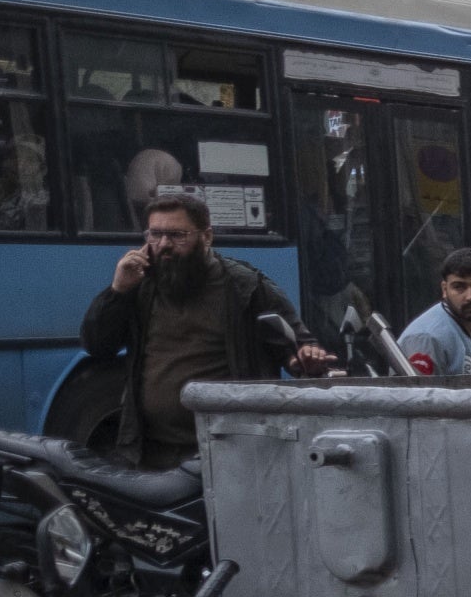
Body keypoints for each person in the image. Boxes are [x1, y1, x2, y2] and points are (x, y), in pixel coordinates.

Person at [75, 188, 334, 468]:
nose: (164, 244)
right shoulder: (140, 285)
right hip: (149, 451)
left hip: (227, 451)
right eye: (155, 234)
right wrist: (117, 291)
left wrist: (305, 357)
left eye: (177, 235)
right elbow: (97, 345)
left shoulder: (245, 287)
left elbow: (298, 346)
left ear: (206, 237)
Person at [400, 247, 471, 377]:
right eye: (459, 287)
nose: (470, 297)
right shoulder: (426, 338)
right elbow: (420, 390)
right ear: (445, 289)